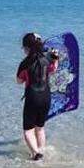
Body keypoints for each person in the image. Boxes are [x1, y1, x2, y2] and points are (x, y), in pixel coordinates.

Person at [16, 32, 59, 160]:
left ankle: (36, 153)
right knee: (40, 128)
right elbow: (54, 69)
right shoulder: (48, 58)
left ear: (27, 48)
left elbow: (18, 81)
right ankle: (42, 151)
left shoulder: (25, 63)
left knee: (28, 130)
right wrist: (55, 58)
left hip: (32, 98)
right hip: (46, 97)